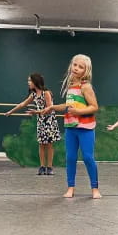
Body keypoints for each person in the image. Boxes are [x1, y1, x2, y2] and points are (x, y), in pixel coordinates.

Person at [41, 54, 101, 198]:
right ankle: (70, 187)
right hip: (70, 128)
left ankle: (95, 188)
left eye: (81, 67)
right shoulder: (70, 86)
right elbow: (68, 106)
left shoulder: (86, 87)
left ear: (86, 70)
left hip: (85, 128)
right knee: (70, 157)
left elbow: (94, 107)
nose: (76, 68)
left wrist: (79, 111)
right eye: (75, 65)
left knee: (87, 157)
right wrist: (52, 107)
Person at [6, 73, 61, 175]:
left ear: (36, 81)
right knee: (41, 143)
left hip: (49, 121)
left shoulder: (46, 93)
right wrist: (11, 111)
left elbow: (49, 109)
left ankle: (49, 167)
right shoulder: (34, 94)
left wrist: (36, 112)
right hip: (41, 121)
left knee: (49, 144)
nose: (28, 83)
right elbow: (23, 104)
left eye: (30, 81)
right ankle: (42, 166)